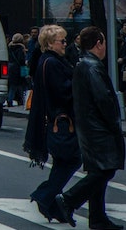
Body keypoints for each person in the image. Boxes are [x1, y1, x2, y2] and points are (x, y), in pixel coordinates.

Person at [52, 27, 125, 230]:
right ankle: (68, 200)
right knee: (105, 170)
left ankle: (97, 217)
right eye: (103, 43)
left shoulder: (83, 64)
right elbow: (103, 99)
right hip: (98, 129)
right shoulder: (92, 67)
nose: (105, 48)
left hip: (89, 127)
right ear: (98, 44)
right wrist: (114, 123)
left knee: (98, 169)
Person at [24, 25, 80, 222]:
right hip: (61, 121)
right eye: (62, 41)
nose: (65, 44)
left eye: (65, 40)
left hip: (56, 120)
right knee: (73, 159)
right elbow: (62, 92)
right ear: (49, 43)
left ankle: (51, 205)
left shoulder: (48, 61)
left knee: (62, 162)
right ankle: (45, 195)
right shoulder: (52, 63)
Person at [7, 34, 27, 108]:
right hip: (18, 68)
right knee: (20, 85)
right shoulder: (21, 48)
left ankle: (10, 100)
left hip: (10, 67)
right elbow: (21, 59)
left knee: (13, 86)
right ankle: (21, 100)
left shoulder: (9, 47)